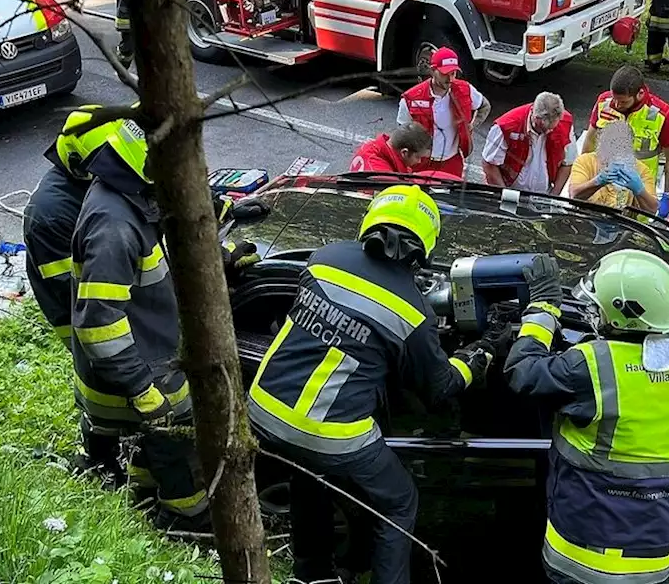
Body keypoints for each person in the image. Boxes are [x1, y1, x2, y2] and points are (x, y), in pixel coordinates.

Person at [247, 185, 492, 584]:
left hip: (262, 407)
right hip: (332, 433)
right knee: (399, 501)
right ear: (423, 246)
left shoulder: (323, 260)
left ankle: (311, 574)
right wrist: (478, 356)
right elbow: (440, 387)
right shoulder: (413, 311)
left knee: (310, 477)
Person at [70, 111, 260, 531]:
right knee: (177, 452)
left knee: (153, 448)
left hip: (150, 359)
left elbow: (166, 243)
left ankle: (142, 490)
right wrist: (142, 390)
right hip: (135, 379)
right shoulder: (113, 227)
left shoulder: (128, 195)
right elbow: (98, 323)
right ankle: (185, 518)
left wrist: (222, 242)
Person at [504, 250, 669, 584]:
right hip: (656, 561)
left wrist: (543, 309)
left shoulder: (590, 366)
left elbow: (522, 373)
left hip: (583, 559)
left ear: (621, 312)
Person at [23, 105, 125, 488]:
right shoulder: (51, 214)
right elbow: (76, 301)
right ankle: (100, 462)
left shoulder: (103, 182)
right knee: (101, 381)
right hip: (76, 312)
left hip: (109, 300)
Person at [583, 66, 669, 216]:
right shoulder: (604, 102)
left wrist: (667, 195)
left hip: (639, 196)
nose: (616, 105)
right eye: (615, 99)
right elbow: (590, 139)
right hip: (603, 191)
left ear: (640, 93)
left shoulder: (662, 115)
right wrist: (584, 179)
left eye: (623, 102)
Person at [396, 47, 492, 178]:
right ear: (432, 70)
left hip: (452, 162)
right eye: (444, 74)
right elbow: (402, 134)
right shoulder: (411, 98)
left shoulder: (465, 89)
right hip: (421, 163)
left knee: (451, 198)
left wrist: (471, 125)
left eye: (453, 73)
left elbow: (485, 106)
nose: (450, 79)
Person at [482, 92, 576, 194]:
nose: (550, 132)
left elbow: (568, 163)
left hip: (544, 196)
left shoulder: (565, 124)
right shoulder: (506, 126)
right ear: (536, 118)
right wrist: (505, 194)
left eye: (553, 128)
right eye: (545, 129)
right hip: (510, 190)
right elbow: (489, 164)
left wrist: (554, 195)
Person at [567, 118, 659, 213]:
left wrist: (640, 190)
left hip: (623, 224)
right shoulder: (585, 161)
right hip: (586, 221)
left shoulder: (641, 170)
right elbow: (574, 195)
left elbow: (652, 209)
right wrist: (597, 181)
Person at [349, 123, 434, 174]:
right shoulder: (385, 178)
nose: (419, 161)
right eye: (418, 157)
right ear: (404, 152)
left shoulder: (370, 147)